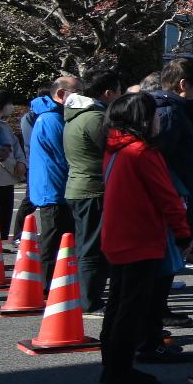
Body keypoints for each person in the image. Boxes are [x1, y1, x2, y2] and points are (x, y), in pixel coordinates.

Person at [97, 92, 193, 384]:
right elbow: (168, 198)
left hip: (116, 235)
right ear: (143, 118)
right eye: (153, 115)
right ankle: (120, 373)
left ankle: (112, 367)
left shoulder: (114, 149)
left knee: (117, 304)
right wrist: (183, 233)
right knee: (132, 308)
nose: (157, 121)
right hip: (140, 236)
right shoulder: (143, 152)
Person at [63, 66, 123, 316]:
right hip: (92, 188)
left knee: (88, 244)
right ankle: (90, 301)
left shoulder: (77, 114)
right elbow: (113, 149)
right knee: (92, 248)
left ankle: (89, 296)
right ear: (108, 93)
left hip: (79, 185)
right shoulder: (95, 118)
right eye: (119, 92)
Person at [154, 57, 193, 256]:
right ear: (183, 84)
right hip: (175, 201)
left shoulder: (177, 110)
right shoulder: (169, 113)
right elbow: (162, 165)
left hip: (181, 197)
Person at [27, 73, 78, 266]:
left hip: (54, 186)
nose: (81, 96)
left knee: (57, 239)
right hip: (54, 188)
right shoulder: (52, 119)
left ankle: (51, 283)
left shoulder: (52, 116)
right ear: (62, 93)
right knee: (52, 240)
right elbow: (65, 154)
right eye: (78, 91)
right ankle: (45, 285)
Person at [0, 89, 23, 242]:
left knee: (4, 215)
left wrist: (21, 162)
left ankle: (0, 243)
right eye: (9, 103)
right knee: (0, 214)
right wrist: (16, 166)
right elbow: (3, 154)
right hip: (1, 177)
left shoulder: (4, 125)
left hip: (7, 177)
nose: (12, 107)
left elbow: (16, 147)